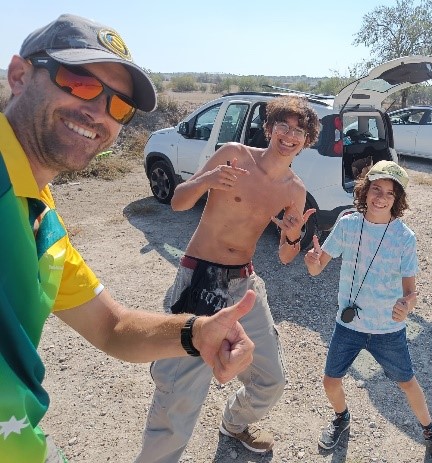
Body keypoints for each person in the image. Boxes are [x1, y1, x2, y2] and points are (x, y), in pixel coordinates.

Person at [0, 14, 256, 463]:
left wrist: (196, 332)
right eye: (79, 82)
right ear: (20, 76)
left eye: (119, 106)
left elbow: (111, 327)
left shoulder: (40, 215)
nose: (99, 113)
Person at [135, 95, 320, 462]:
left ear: (307, 141)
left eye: (299, 131)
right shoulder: (235, 154)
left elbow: (286, 257)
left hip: (244, 284)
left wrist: (293, 235)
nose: (289, 136)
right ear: (268, 128)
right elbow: (179, 202)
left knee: (271, 379)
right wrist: (208, 179)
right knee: (180, 394)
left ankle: (235, 423)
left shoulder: (294, 190)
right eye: (283, 126)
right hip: (200, 277)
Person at [304, 160, 432, 462]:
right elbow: (317, 268)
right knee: (330, 381)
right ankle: (342, 417)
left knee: (407, 383)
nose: (381, 198)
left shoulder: (405, 237)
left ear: (397, 200)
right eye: (376, 189)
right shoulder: (348, 225)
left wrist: (406, 306)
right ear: (365, 190)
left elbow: (411, 292)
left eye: (389, 193)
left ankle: (431, 433)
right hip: (349, 326)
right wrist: (312, 261)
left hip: (387, 329)